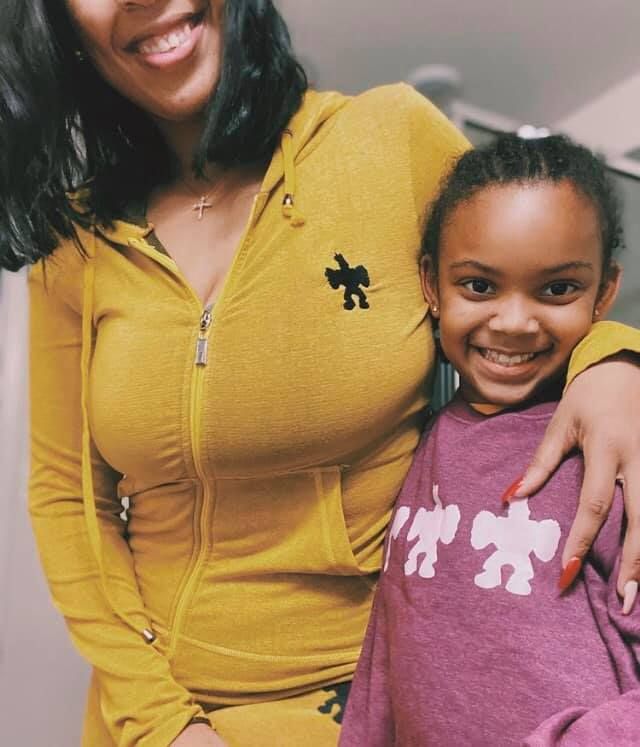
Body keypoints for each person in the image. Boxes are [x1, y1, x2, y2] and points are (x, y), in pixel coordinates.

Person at [1, 2, 640, 745]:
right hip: (153, 711)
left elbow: (527, 265)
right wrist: (160, 723)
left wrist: (615, 359)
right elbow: (68, 497)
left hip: (361, 703)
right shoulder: (73, 242)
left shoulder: (391, 137)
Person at [339, 134, 640, 746]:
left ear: (604, 292)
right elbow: (385, 661)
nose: (515, 322)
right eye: (479, 286)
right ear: (431, 283)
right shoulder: (421, 437)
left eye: (557, 289)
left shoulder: (613, 449)